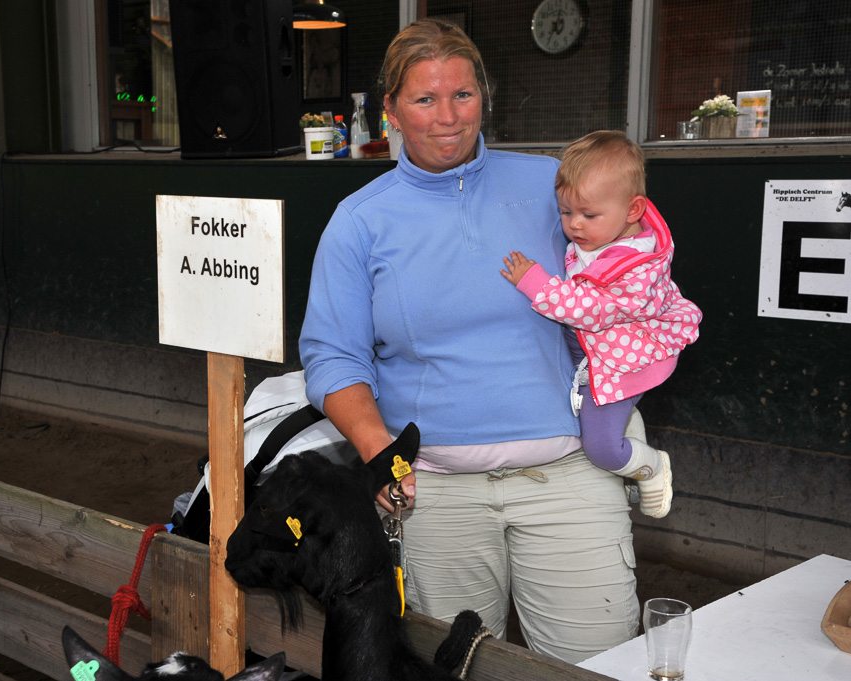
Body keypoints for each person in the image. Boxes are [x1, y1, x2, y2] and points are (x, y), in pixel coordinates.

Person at [299, 18, 642, 663]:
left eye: (463, 95)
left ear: (486, 96)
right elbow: (332, 357)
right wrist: (379, 452)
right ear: (391, 112)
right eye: (425, 99)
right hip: (435, 493)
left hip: (571, 476)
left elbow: (639, 267)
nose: (448, 117)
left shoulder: (552, 187)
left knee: (594, 666)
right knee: (455, 668)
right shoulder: (359, 221)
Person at [500, 131, 701, 520]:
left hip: (618, 368)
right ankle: (624, 416)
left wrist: (535, 283)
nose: (574, 225)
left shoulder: (639, 267)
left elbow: (593, 309)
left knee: (602, 450)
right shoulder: (601, 236)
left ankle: (649, 464)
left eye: (588, 215)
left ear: (633, 210)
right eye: (565, 212)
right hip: (591, 359)